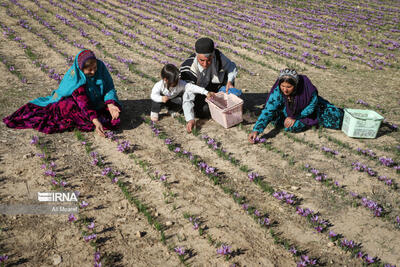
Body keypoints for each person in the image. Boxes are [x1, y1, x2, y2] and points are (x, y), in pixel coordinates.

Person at [3, 50, 121, 137]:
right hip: (76, 103)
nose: (94, 71)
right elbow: (83, 102)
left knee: (113, 116)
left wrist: (111, 104)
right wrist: (95, 120)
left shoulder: (100, 67)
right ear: (81, 69)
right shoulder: (76, 79)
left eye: (94, 67)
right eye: (89, 70)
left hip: (95, 102)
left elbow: (109, 87)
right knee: (69, 108)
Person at [248, 69, 343, 143]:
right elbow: (269, 109)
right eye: (282, 86)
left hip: (308, 112)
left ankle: (307, 122)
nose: (285, 90)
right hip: (287, 110)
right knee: (276, 119)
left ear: (296, 85)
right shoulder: (278, 91)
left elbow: (311, 107)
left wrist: (295, 117)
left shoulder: (307, 89)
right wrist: (256, 130)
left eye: (289, 87)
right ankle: (287, 119)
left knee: (337, 117)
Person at [180, 37, 238, 132]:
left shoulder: (217, 55)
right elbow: (188, 95)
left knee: (228, 77)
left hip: (209, 86)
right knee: (206, 110)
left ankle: (226, 101)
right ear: (196, 56)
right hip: (197, 93)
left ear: (213, 55)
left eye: (209, 60)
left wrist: (229, 81)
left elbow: (231, 66)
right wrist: (190, 119)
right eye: (201, 60)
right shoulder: (188, 69)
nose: (205, 64)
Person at [150, 64, 214, 122]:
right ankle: (154, 112)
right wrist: (161, 98)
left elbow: (192, 87)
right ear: (165, 80)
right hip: (162, 99)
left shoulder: (180, 83)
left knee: (180, 100)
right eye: (174, 81)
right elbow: (153, 95)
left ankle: (171, 110)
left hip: (171, 99)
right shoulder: (159, 85)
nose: (177, 82)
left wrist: (205, 92)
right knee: (156, 101)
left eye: (177, 80)